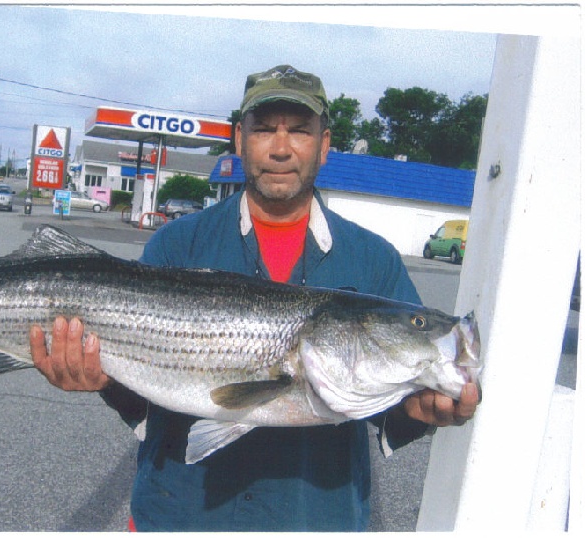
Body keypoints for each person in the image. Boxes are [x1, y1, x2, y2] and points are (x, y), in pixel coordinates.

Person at [29, 65, 479, 531]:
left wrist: (421, 411)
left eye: (300, 131)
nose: (281, 148)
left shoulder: (374, 261)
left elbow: (391, 411)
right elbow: (145, 396)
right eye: (263, 129)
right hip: (180, 515)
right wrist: (99, 380)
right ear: (239, 140)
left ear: (325, 145)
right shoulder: (178, 244)